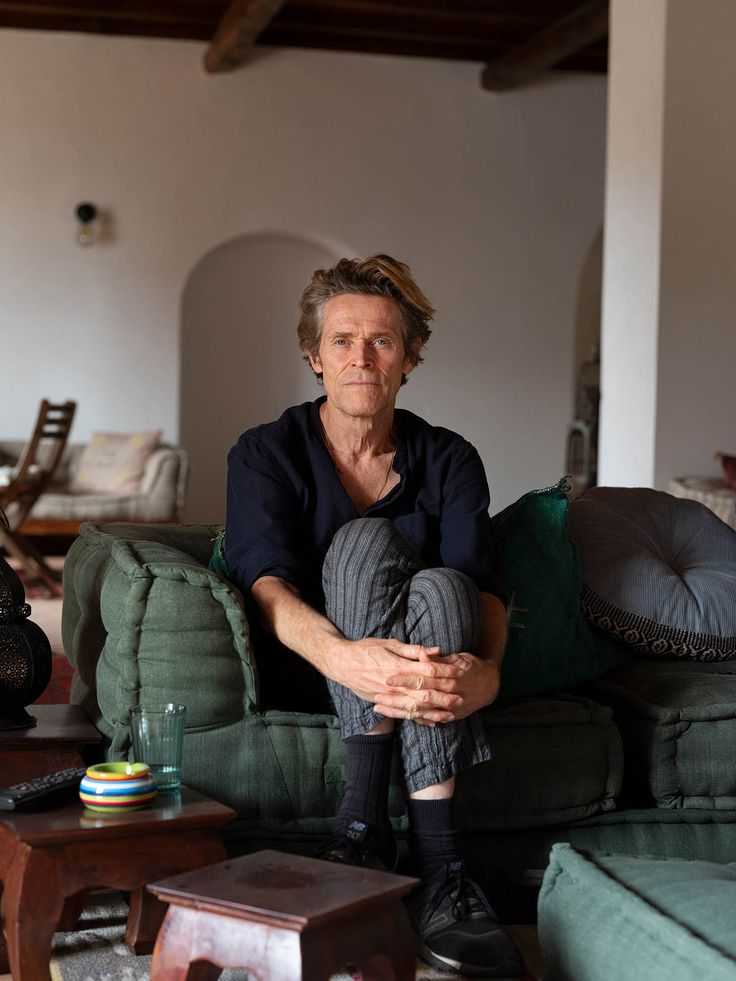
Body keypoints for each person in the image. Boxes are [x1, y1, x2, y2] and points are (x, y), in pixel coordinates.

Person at [225, 254, 524, 979]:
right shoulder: (265, 453)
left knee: (448, 590)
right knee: (361, 544)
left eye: (383, 341)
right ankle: (372, 831)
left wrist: (487, 672)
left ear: (411, 356)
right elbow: (265, 587)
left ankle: (425, 862)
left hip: (436, 677)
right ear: (314, 356)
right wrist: (344, 657)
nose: (362, 357)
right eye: (342, 341)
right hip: (316, 673)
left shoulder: (451, 457)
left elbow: (484, 591)